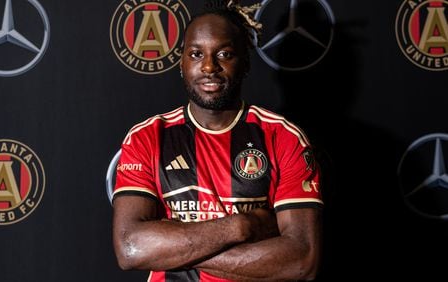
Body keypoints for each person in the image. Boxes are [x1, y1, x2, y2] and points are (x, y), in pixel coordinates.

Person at [112, 1, 323, 281]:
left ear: (245, 63)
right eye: (196, 54)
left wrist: (172, 250)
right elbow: (131, 248)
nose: (209, 66)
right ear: (182, 62)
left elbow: (301, 259)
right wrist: (242, 227)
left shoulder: (283, 137)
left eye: (224, 54)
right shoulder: (148, 137)